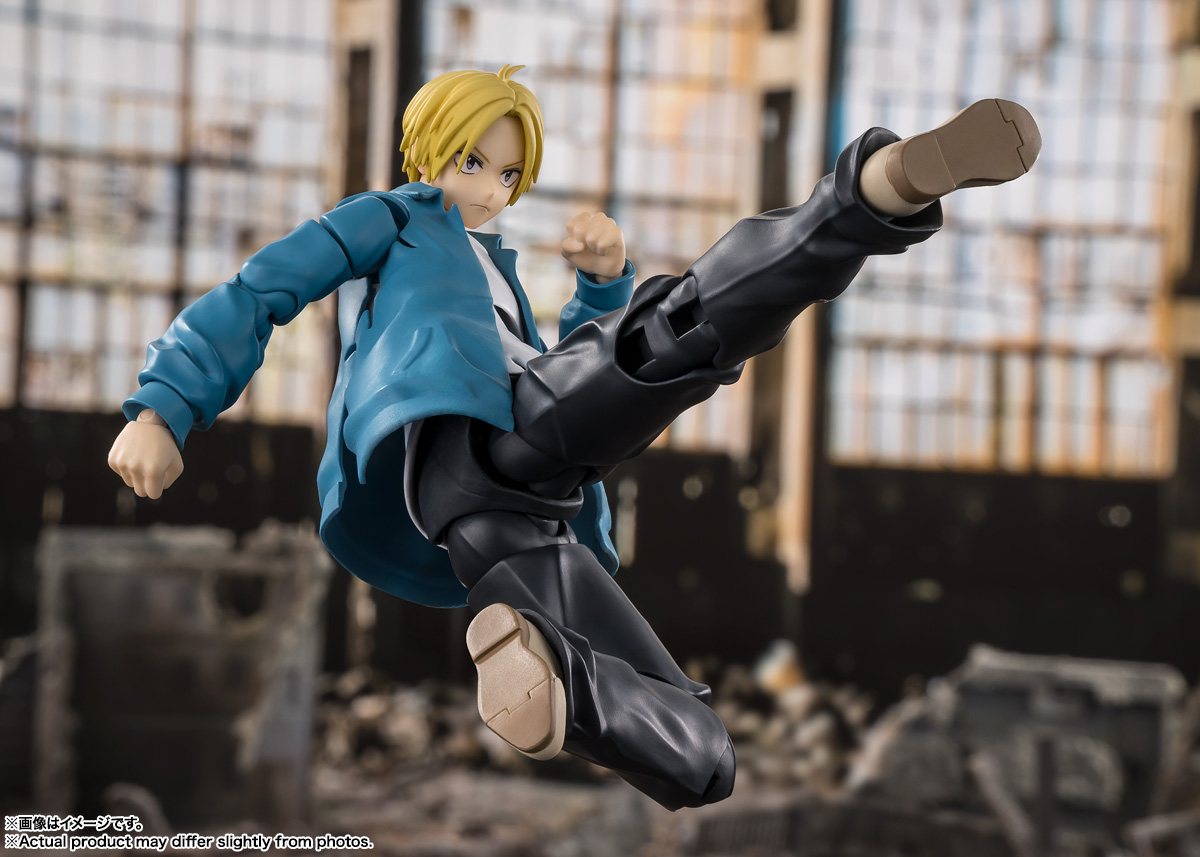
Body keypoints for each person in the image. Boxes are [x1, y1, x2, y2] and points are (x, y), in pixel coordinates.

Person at [109, 66, 1040, 809]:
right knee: (673, 333)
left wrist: (601, 285)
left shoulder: (497, 273)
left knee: (700, 758)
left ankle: (552, 677)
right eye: (472, 162)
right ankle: (871, 195)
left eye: (508, 174)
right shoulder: (390, 223)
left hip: (525, 512)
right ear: (428, 149)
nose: (490, 187)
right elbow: (259, 291)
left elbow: (567, 363)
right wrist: (164, 407)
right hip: (469, 448)